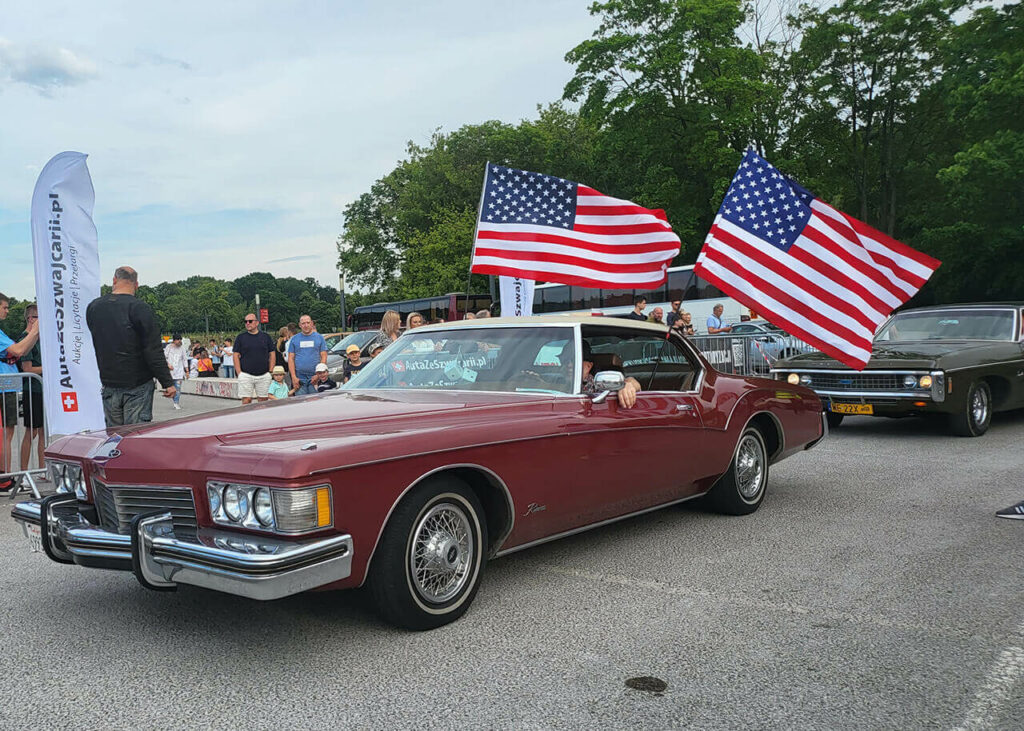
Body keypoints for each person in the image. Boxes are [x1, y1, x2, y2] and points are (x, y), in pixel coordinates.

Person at [86, 267, 176, 427]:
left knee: (114, 439)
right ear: (137, 285)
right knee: (135, 436)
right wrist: (167, 382)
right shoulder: (140, 308)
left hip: (109, 382)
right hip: (137, 383)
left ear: (114, 280)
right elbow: (152, 349)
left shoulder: (94, 308)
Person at [0, 293, 40, 490]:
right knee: (6, 433)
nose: (7, 311)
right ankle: (5, 477)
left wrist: (35, 334)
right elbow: (17, 351)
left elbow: (21, 350)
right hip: (4, 386)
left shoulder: (2, 332)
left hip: (9, 386)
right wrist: (34, 332)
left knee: (8, 432)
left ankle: (5, 475)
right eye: (5, 307)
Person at [562, 340, 640, 409]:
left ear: (588, 366)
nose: (569, 365)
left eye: (574, 360)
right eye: (565, 360)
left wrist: (626, 385)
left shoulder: (598, 384)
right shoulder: (558, 382)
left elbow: (634, 383)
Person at [17, 305, 45, 475]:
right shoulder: (25, 339)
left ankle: (42, 469)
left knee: (42, 431)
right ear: (31, 318)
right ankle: (24, 471)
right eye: (37, 317)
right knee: (31, 430)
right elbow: (27, 368)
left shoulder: (41, 340)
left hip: (41, 389)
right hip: (31, 390)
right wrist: (48, 367)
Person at [233, 313, 276, 405]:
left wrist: (271, 371)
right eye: (246, 322)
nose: (248, 323)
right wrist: (239, 372)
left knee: (263, 401)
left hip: (264, 374)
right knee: (246, 400)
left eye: (250, 321)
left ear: (257, 323)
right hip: (245, 374)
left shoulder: (265, 337)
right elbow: (235, 355)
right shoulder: (241, 338)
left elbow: (272, 353)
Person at [287, 314, 328, 396]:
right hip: (299, 379)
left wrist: (318, 374)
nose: (306, 325)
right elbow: (291, 358)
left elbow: (324, 356)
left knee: (315, 403)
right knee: (301, 403)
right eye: (303, 323)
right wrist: (293, 377)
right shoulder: (294, 339)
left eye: (308, 323)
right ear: (299, 325)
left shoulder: (320, 338)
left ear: (312, 323)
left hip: (315, 378)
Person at [164, 334, 188, 410]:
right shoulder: (168, 347)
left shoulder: (182, 349)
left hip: (179, 372)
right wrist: (168, 365)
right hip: (170, 371)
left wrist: (187, 370)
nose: (179, 341)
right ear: (174, 340)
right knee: (171, 388)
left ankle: (176, 402)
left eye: (180, 340)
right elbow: (164, 358)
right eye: (178, 340)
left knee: (178, 388)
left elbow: (185, 359)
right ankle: (173, 398)